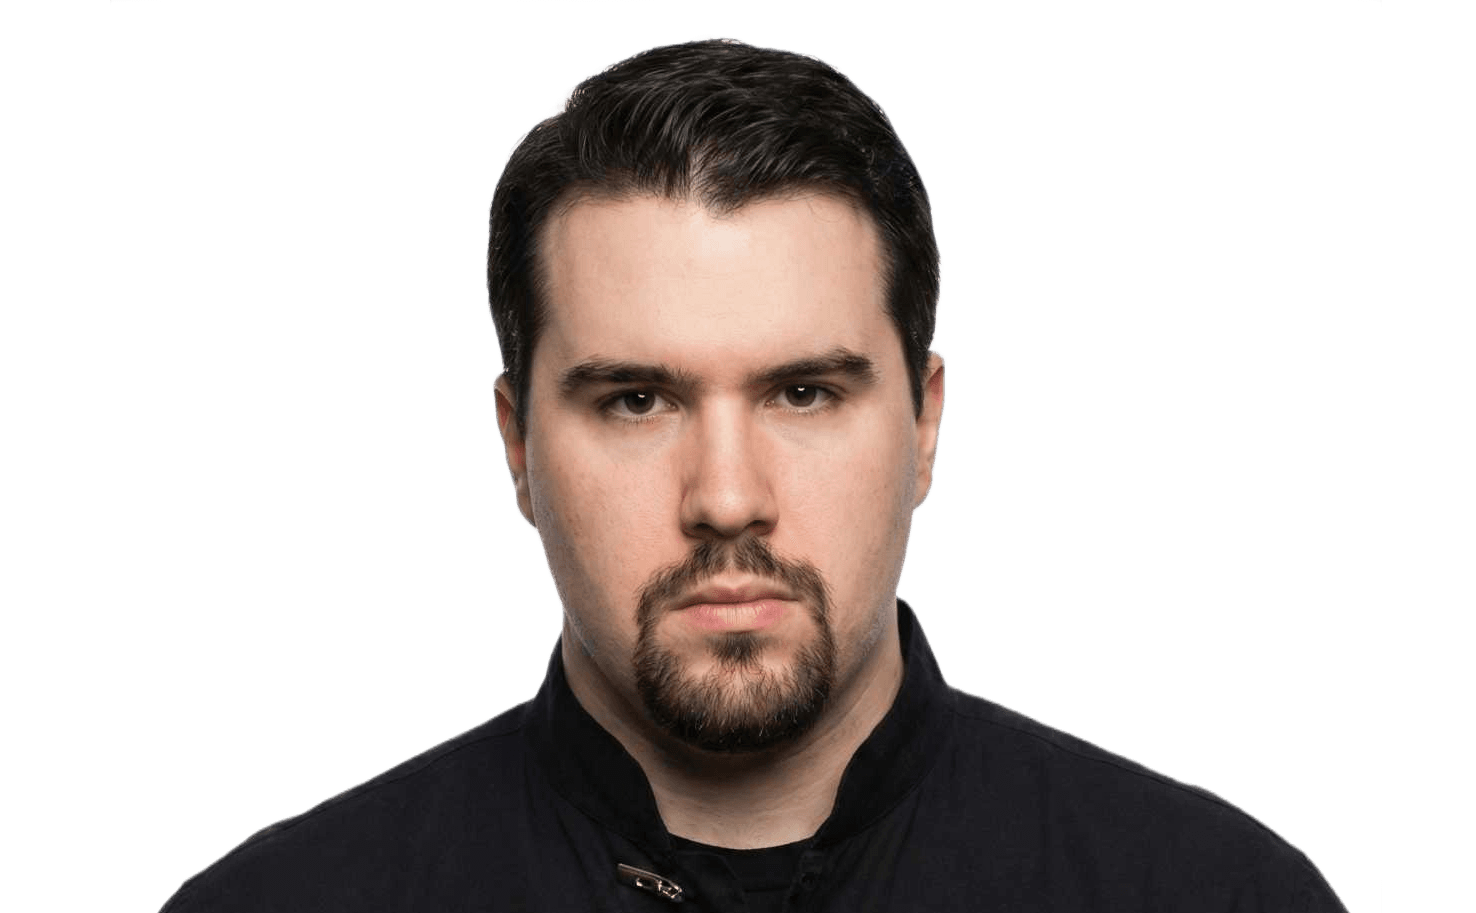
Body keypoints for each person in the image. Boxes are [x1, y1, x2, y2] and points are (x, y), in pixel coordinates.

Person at [159, 37, 1347, 912]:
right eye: (636, 400)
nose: (727, 497)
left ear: (925, 424)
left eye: (804, 393)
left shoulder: (1218, 897)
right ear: (517, 446)